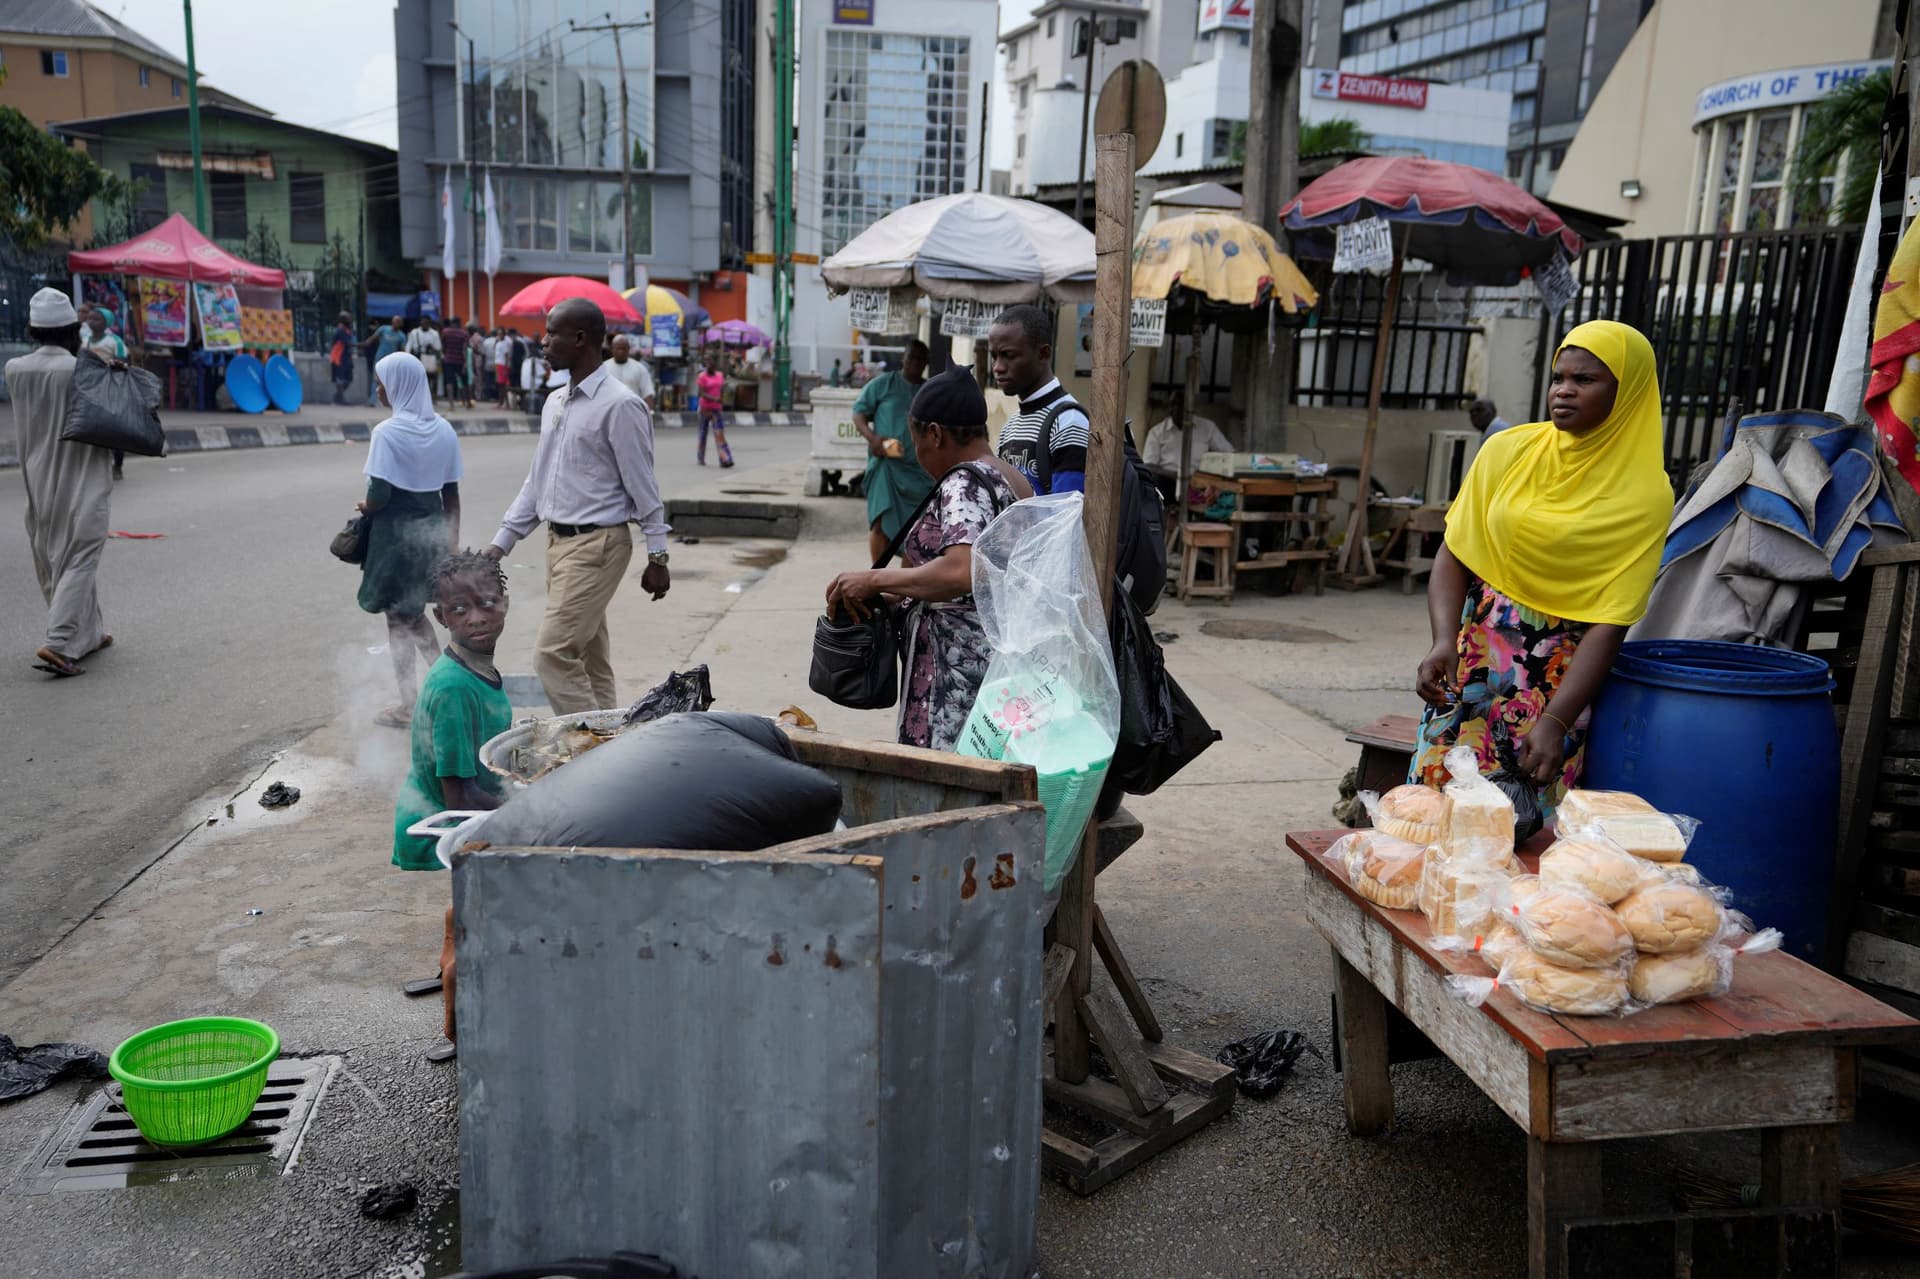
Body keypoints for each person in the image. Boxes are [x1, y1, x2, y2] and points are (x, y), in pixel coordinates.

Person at [1412, 320, 1674, 821]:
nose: (1564, 390)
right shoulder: (1506, 452)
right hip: (1470, 665)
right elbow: (1456, 551)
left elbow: (1611, 620)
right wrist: (1442, 640)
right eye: (1559, 377)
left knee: (1518, 835)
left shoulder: (1645, 495)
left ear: (1629, 392)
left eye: (1586, 380)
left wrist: (1556, 720)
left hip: (1553, 685)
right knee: (1430, 819)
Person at [825, 367, 1032, 751]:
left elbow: (960, 570)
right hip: (994, 664)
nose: (916, 451)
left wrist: (874, 581)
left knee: (945, 781)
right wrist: (898, 596)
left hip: (951, 675)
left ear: (935, 434)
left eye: (916, 439)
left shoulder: (963, 483)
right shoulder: (1010, 477)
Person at [485, 297, 672, 714]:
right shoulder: (555, 401)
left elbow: (644, 487)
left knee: (552, 655)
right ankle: (609, 741)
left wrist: (657, 556)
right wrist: (499, 545)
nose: (544, 342)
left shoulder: (621, 405)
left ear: (581, 339)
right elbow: (538, 482)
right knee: (589, 656)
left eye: (553, 333)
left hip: (598, 547)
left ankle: (584, 752)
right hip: (558, 545)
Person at [389, 549, 514, 1064]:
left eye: (487, 603)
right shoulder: (454, 688)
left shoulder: (474, 666)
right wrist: (527, 809)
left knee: (462, 908)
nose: (477, 617)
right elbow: (457, 795)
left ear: (505, 601)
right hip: (447, 817)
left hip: (463, 805)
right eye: (459, 610)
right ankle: (460, 1031)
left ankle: (448, 954)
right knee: (476, 923)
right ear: (440, 618)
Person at [357, 351, 466, 728]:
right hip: (431, 536)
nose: (378, 388)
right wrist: (451, 546)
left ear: (399, 385)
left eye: (381, 381)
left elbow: (379, 496)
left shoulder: (386, 433)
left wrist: (364, 505)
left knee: (401, 621)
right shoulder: (444, 430)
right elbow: (450, 495)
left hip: (395, 543)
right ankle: (437, 692)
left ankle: (417, 701)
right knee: (413, 616)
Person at [10, 288, 114, 679]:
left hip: (38, 473)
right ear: (72, 328)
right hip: (81, 473)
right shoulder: (83, 368)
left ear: (34, 330)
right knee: (81, 555)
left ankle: (87, 634)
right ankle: (57, 641)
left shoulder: (14, 369)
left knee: (56, 554)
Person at [989, 304, 1089, 494]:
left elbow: (1068, 515)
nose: (998, 367)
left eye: (1008, 356)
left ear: (1043, 354)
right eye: (994, 357)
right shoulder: (1010, 427)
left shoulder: (1069, 423)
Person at [851, 339, 932, 563]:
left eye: (920, 358)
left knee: (917, 529)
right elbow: (858, 413)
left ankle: (905, 591)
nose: (915, 362)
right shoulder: (883, 384)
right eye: (911, 357)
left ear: (926, 362)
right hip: (886, 465)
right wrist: (873, 439)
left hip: (919, 469)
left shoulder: (929, 390)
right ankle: (876, 580)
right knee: (880, 522)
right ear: (903, 359)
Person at [82, 308, 131, 480]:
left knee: (115, 431)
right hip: (92, 391)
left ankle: (117, 465)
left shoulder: (114, 341)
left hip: (112, 390)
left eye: (96, 318)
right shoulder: (85, 342)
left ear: (106, 323)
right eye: (90, 318)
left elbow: (123, 361)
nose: (91, 321)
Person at [1141, 398, 1234, 472]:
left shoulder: (1208, 427)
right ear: (1168, 408)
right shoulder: (1156, 432)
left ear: (1191, 407)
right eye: (1173, 404)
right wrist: (1175, 476)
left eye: (1182, 404)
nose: (1177, 408)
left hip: (1200, 481)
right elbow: (1149, 465)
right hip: (1167, 480)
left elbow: (1229, 453)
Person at [695, 355, 733, 467]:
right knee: (703, 433)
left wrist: (723, 397)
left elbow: (721, 389)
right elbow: (700, 393)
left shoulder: (720, 375)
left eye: (710, 360)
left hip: (716, 409)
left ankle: (725, 459)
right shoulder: (702, 376)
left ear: (714, 362)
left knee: (719, 433)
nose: (708, 363)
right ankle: (700, 458)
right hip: (705, 409)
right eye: (706, 360)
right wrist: (714, 399)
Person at [606, 335, 656, 411]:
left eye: (624, 349)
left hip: (633, 412)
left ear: (629, 349)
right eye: (618, 348)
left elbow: (648, 393)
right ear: (612, 349)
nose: (621, 351)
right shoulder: (604, 368)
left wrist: (650, 413)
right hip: (609, 411)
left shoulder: (639, 368)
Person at [366, 316, 406, 406]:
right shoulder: (383, 329)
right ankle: (372, 400)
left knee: (390, 381)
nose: (397, 323)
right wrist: (365, 344)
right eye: (396, 321)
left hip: (391, 361)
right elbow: (372, 338)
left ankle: (389, 401)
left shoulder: (401, 336)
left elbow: (403, 350)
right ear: (392, 321)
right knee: (376, 380)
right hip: (379, 358)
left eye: (399, 322)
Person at [408, 316, 444, 397]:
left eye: (426, 323)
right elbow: (409, 346)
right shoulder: (414, 332)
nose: (424, 324)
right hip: (418, 357)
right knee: (418, 378)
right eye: (423, 322)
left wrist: (432, 348)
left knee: (432, 378)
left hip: (430, 358)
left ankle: (432, 397)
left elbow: (438, 348)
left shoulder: (434, 334)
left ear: (429, 323)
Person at [440, 316, 471, 410]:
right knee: (464, 382)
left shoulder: (445, 332)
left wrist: (445, 355)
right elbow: (465, 349)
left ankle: (451, 405)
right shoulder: (464, 334)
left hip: (448, 360)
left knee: (449, 382)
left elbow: (443, 346)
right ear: (459, 323)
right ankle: (468, 402)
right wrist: (465, 363)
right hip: (460, 360)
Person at [329, 311, 357, 405]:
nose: (350, 319)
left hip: (346, 356)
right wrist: (361, 345)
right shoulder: (341, 330)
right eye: (347, 318)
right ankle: (340, 398)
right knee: (340, 378)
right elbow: (347, 343)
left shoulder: (347, 330)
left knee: (349, 378)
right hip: (339, 357)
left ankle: (337, 396)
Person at [479, 327, 498, 403]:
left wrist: (483, 365)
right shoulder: (497, 341)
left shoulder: (486, 341)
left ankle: (488, 396)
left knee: (488, 381)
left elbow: (483, 354)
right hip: (496, 363)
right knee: (495, 381)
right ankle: (495, 396)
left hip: (487, 363)